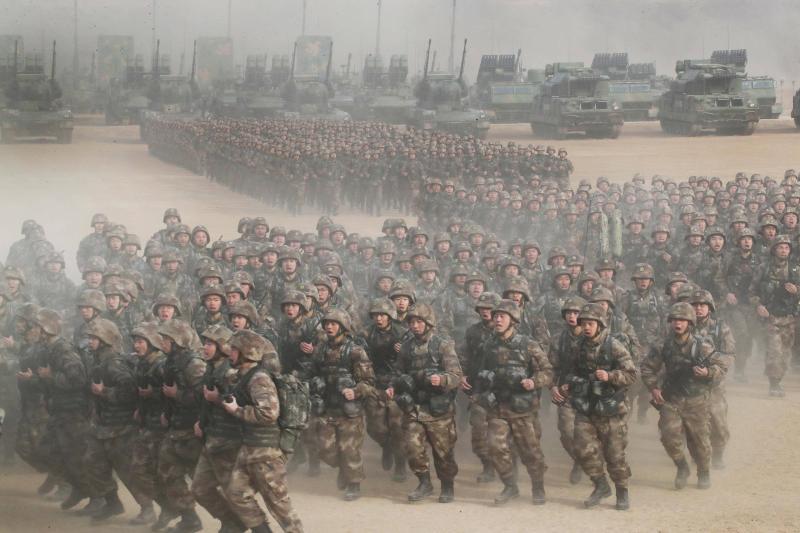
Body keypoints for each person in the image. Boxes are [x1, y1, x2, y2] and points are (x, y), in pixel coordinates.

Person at [223, 330, 304, 533]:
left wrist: (237, 410)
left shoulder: (259, 378)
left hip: (266, 451)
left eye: (234, 349)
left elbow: (269, 413)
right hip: (249, 447)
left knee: (280, 505)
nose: (230, 353)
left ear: (246, 352)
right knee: (236, 494)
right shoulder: (244, 376)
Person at [641, 302, 727, 491]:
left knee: (700, 441)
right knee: (668, 436)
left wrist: (707, 372)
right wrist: (653, 388)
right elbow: (647, 367)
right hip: (672, 399)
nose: (677, 323)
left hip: (697, 400)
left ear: (690, 322)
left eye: (682, 320)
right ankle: (682, 467)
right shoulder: (663, 345)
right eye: (674, 320)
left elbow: (721, 367)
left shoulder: (702, 346)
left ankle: (703, 472)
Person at [477, 299, 552, 506]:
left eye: (502, 316)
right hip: (497, 406)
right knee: (495, 447)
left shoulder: (528, 345)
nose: (497, 320)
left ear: (513, 320)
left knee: (530, 451)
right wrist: (482, 392)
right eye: (496, 316)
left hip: (522, 408)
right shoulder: (489, 345)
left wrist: (534, 381)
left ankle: (538, 486)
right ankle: (510, 485)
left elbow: (547, 371)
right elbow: (482, 372)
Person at [386, 303, 463, 504]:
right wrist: (392, 387)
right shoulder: (406, 347)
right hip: (415, 406)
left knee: (443, 452)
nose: (414, 325)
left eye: (419, 321)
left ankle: (447, 486)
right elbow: (397, 373)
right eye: (412, 322)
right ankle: (424, 483)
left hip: (438, 409)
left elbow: (456, 375)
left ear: (428, 323)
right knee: (412, 447)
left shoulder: (442, 345)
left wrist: (442, 379)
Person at [563, 303, 636, 510]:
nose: (586, 327)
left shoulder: (614, 345)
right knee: (582, 448)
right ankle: (601, 485)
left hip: (611, 408)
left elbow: (631, 375)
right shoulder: (578, 347)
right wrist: (570, 384)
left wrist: (610, 376)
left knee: (614, 454)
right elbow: (571, 372)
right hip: (587, 406)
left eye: (591, 323)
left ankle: (622, 491)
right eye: (584, 323)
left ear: (600, 324)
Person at [309, 309, 375, 501]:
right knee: (324, 449)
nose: (329, 327)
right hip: (327, 407)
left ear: (343, 327)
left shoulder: (355, 351)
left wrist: (355, 391)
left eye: (333, 324)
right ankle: (345, 470)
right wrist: (314, 384)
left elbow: (369, 382)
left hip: (349, 410)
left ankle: (354, 484)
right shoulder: (320, 350)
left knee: (349, 449)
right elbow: (312, 373)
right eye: (327, 324)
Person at [191, 324, 245, 533]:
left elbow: (241, 402)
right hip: (212, 438)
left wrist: (219, 399)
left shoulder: (231, 372)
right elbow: (205, 402)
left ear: (222, 347)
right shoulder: (211, 368)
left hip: (228, 440)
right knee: (200, 489)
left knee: (234, 492)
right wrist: (201, 422)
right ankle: (232, 522)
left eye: (210, 344)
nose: (205, 347)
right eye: (205, 343)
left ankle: (244, 525)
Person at [362, 298, 408, 482]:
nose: (379, 318)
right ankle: (387, 446)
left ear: (390, 316)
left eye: (382, 315)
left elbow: (414, 356)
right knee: (375, 428)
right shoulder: (367, 333)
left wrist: (403, 350)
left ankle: (400, 464)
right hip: (374, 383)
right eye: (375, 315)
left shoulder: (403, 333)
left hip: (397, 384)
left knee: (397, 427)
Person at [547, 296, 587, 484]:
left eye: (576, 312)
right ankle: (579, 460)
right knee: (566, 432)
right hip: (566, 393)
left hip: (590, 393)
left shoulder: (593, 337)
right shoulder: (558, 339)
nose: (572, 316)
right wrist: (553, 386)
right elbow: (551, 367)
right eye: (569, 313)